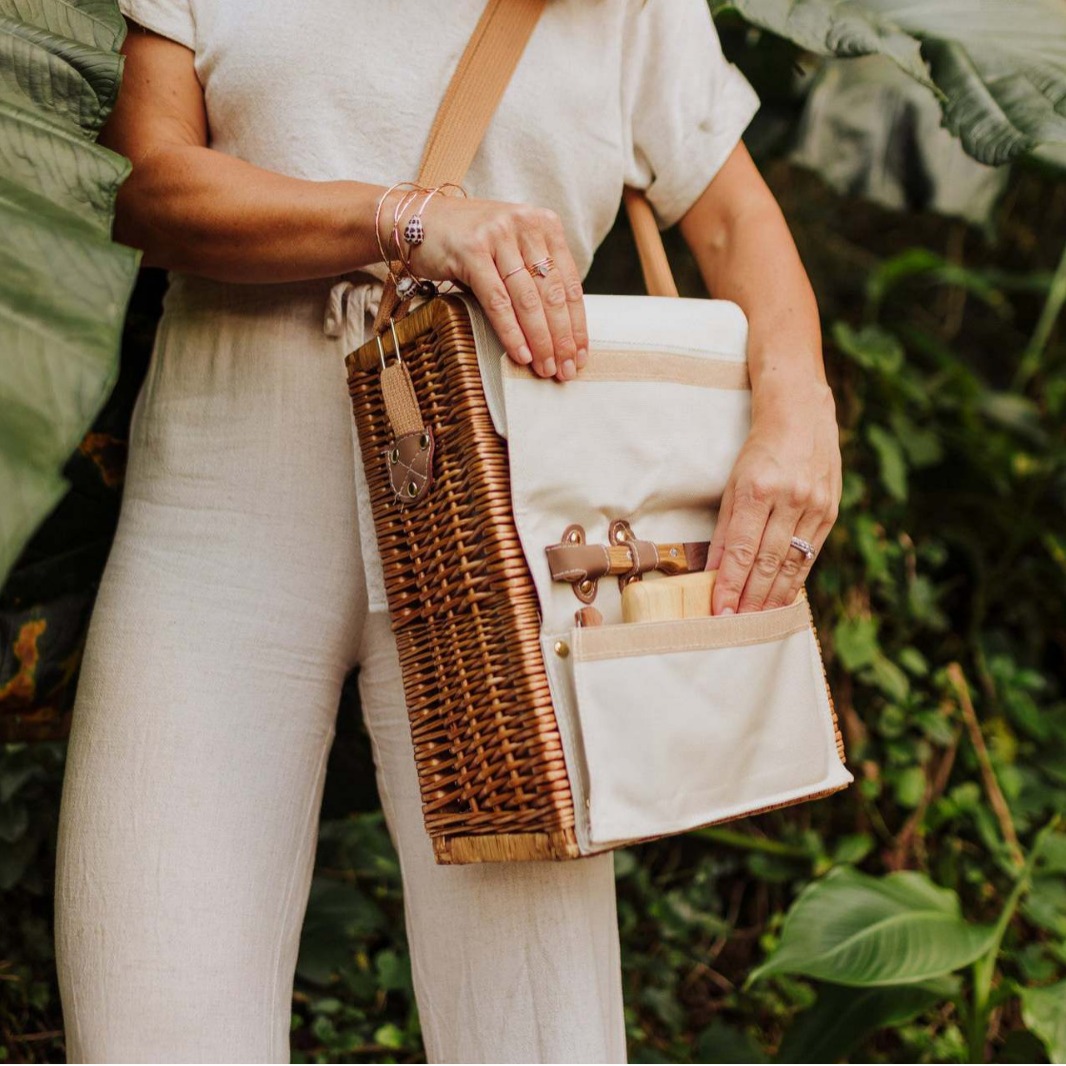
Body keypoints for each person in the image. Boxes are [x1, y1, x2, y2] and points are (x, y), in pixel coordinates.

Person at [52, 1, 842, 1062]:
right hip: (215, 517)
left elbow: (736, 222)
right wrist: (411, 219)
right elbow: (146, 183)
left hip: (506, 545)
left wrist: (798, 418)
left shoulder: (628, 8)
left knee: (535, 1036)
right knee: (150, 1018)